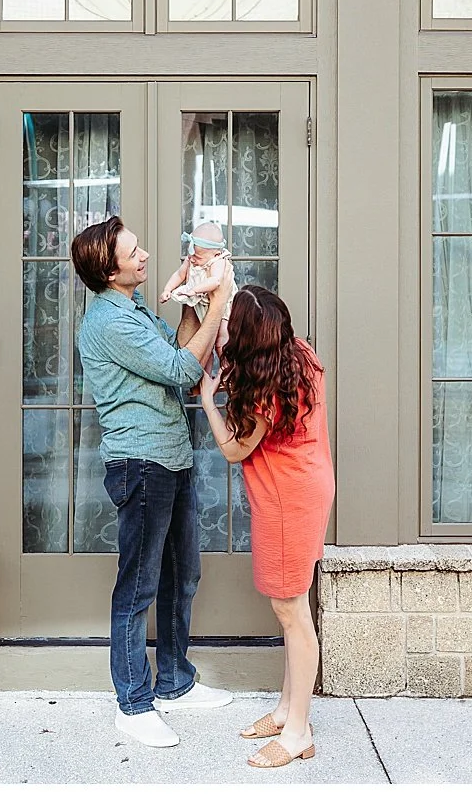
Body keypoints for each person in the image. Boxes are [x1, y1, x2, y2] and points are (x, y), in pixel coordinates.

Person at [70, 217, 234, 749]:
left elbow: (182, 347)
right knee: (138, 586)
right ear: (108, 269)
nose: (145, 256)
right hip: (141, 464)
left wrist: (192, 299)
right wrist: (222, 294)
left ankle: (174, 682)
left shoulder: (136, 310)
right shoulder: (109, 323)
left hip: (171, 457)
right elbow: (186, 371)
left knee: (181, 574)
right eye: (133, 251)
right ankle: (133, 704)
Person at [197, 286, 335, 770]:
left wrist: (209, 400)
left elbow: (234, 451)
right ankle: (285, 712)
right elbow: (238, 339)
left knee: (292, 614)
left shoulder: (263, 395)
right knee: (291, 611)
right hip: (309, 488)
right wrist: (215, 292)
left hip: (286, 502)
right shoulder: (299, 355)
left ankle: (298, 731)